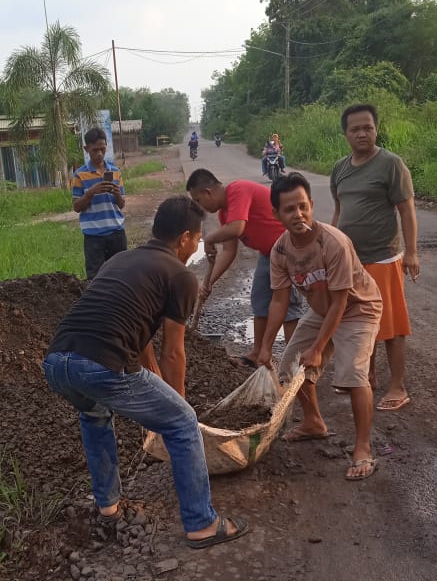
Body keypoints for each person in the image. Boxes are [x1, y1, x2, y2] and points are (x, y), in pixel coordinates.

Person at [42, 196, 247, 550]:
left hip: (58, 361)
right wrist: (176, 406)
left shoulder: (123, 259)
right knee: (183, 422)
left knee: (94, 415)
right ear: (184, 237)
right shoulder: (181, 275)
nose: (197, 245)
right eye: (198, 238)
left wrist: (154, 392)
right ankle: (201, 523)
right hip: (101, 363)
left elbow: (136, 330)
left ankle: (107, 507)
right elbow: (172, 351)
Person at [257, 172, 383, 481]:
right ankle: (314, 422)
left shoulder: (333, 243)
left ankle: (363, 448)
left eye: (302, 206)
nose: (297, 214)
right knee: (288, 368)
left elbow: (341, 302)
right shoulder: (280, 251)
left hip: (358, 308)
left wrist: (317, 350)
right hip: (321, 309)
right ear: (276, 214)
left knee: (353, 373)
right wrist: (264, 347)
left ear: (312, 205)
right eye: (289, 209)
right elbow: (278, 302)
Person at [331, 103, 419, 412]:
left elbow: (406, 210)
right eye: (355, 129)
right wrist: (331, 247)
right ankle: (366, 375)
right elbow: (339, 211)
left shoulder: (391, 164)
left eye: (367, 127)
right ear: (346, 134)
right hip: (351, 261)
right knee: (357, 320)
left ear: (376, 129)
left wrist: (411, 252)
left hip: (383, 258)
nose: (362, 133)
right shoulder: (340, 168)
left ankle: (398, 385)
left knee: (391, 325)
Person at [186, 169, 302, 368]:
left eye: (198, 200)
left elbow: (237, 227)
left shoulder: (237, 190)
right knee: (260, 300)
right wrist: (209, 283)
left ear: (208, 192)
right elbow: (228, 252)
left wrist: (211, 238)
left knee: (288, 308)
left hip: (289, 249)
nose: (201, 206)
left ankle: (295, 360)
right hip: (269, 254)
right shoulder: (224, 214)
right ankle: (258, 353)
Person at [72, 127, 127, 281]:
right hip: (93, 236)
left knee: (120, 276)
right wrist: (90, 193)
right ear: (86, 149)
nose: (99, 154)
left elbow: (121, 204)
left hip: (116, 233)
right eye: (95, 150)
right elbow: (76, 207)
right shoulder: (79, 175)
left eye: (102, 149)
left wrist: (116, 193)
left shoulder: (115, 172)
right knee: (95, 279)